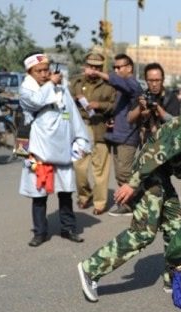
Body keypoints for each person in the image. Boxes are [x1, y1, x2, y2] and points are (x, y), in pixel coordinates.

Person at [75, 112, 181, 302]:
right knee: (143, 233)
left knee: (176, 227)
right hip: (147, 173)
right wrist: (133, 183)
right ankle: (90, 269)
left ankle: (174, 280)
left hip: (160, 176)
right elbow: (159, 152)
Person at [19, 52, 91, 247]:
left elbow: (73, 114)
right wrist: (50, 84)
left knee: (66, 193)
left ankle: (68, 228)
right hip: (39, 153)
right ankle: (40, 232)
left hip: (63, 151)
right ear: (30, 72)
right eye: (39, 71)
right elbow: (36, 102)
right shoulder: (26, 90)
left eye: (46, 70)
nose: (44, 74)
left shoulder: (61, 89)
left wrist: (81, 140)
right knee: (39, 196)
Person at [84, 53, 141, 217]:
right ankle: (131, 203)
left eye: (119, 67)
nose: (116, 70)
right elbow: (122, 110)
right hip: (119, 134)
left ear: (129, 68)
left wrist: (98, 73)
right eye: (114, 67)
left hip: (128, 137)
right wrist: (114, 120)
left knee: (124, 173)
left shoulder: (131, 84)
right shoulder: (122, 88)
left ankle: (134, 203)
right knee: (121, 173)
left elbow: (117, 82)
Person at [69, 48, 116, 216]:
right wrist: (74, 99)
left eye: (97, 67)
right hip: (80, 128)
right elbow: (65, 100)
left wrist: (99, 105)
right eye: (91, 66)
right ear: (85, 66)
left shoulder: (109, 84)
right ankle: (84, 195)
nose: (93, 70)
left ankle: (100, 202)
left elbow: (115, 105)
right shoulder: (76, 81)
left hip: (100, 129)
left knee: (100, 169)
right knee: (79, 167)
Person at [127, 62, 181, 148]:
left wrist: (158, 109)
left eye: (157, 80)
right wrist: (140, 108)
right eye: (151, 80)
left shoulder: (170, 97)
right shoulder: (142, 96)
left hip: (165, 145)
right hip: (145, 144)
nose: (154, 84)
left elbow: (176, 123)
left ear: (163, 79)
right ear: (145, 80)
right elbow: (129, 118)